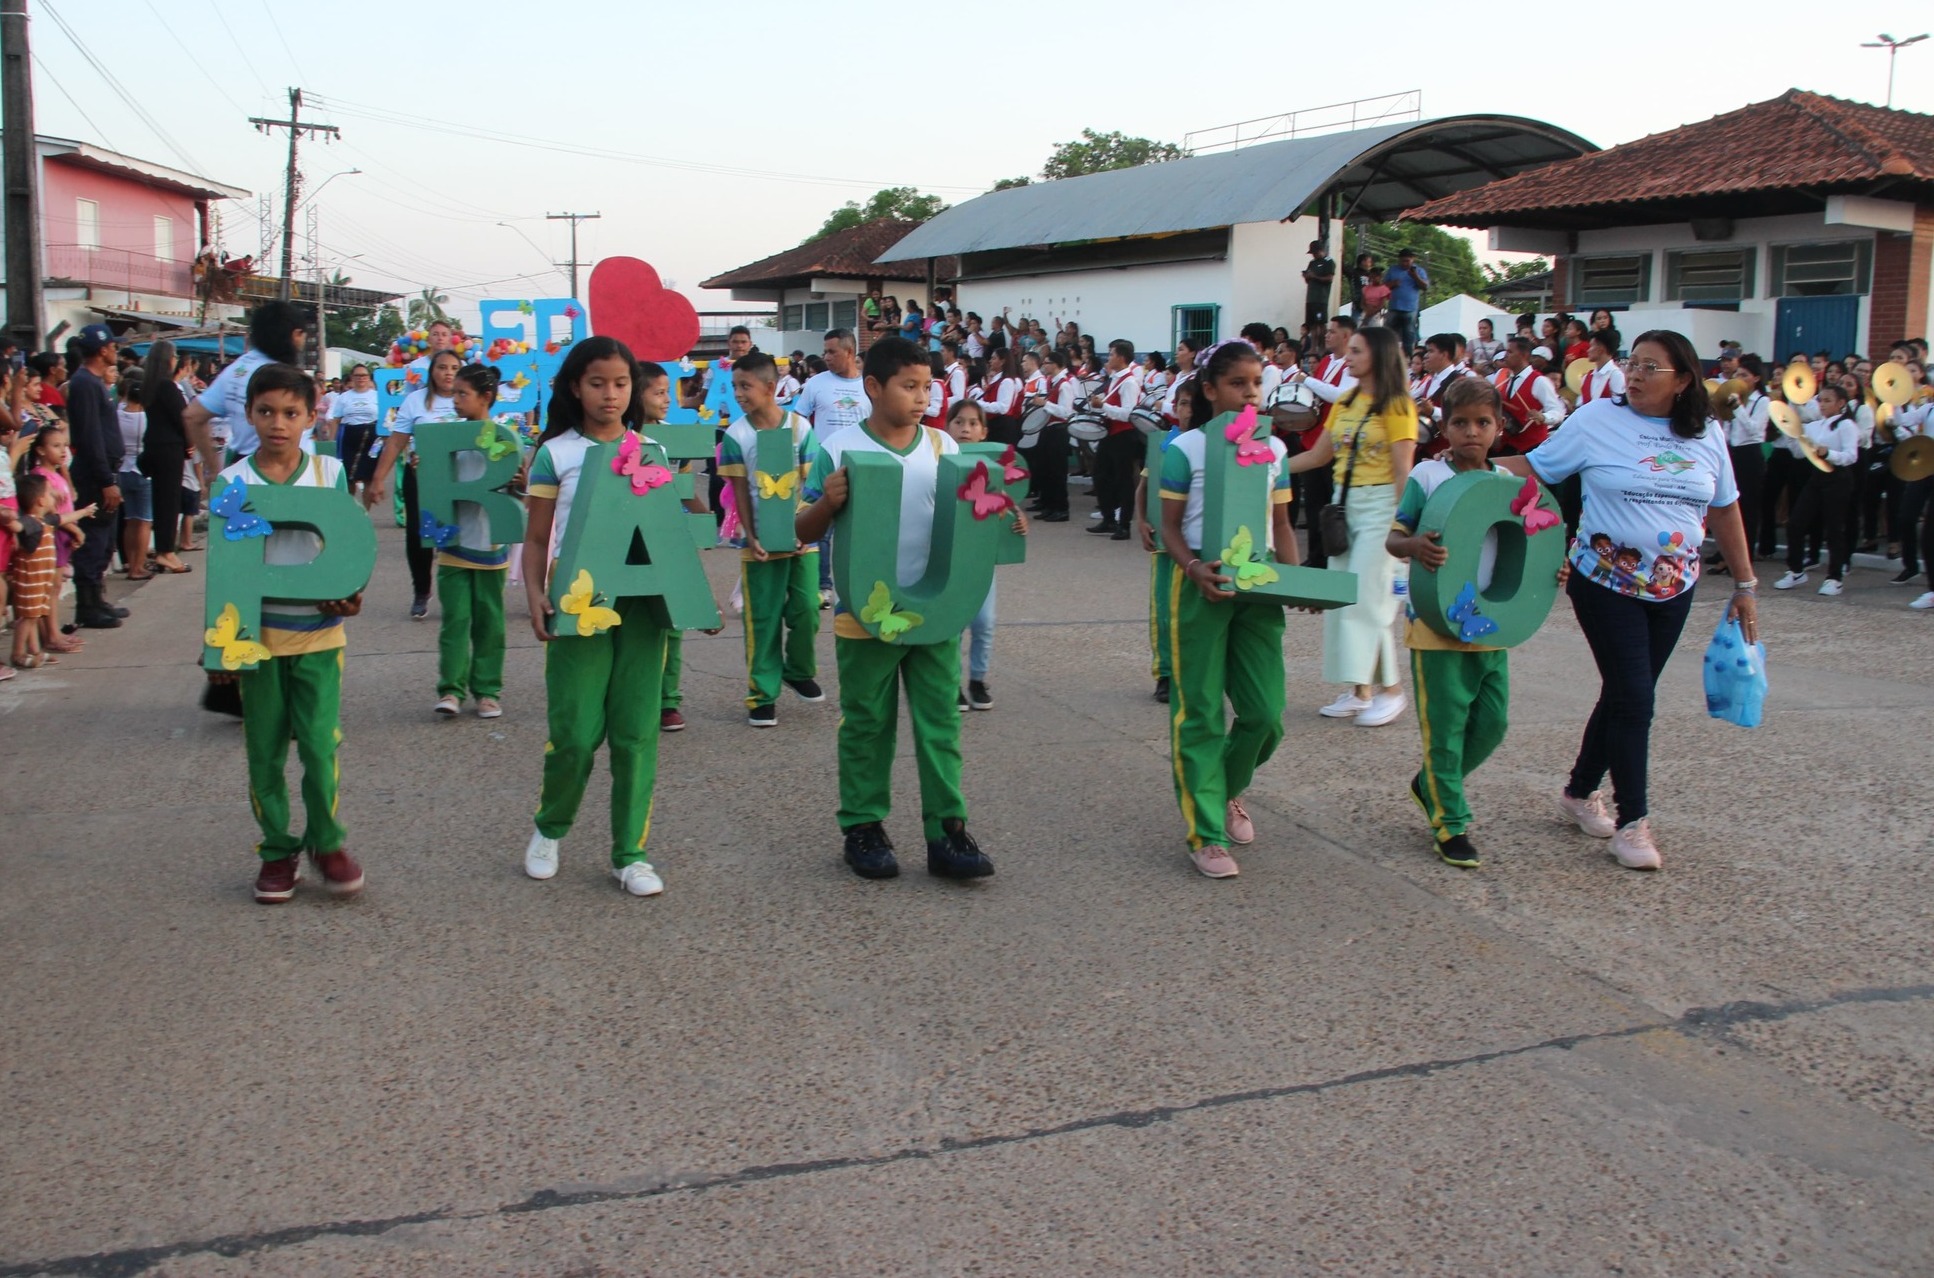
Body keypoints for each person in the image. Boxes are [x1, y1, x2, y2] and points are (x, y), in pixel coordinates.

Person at [1499, 329, 1758, 871]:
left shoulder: (1706, 433)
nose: (1634, 375)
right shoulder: (1596, 420)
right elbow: (1537, 469)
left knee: (1625, 693)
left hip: (1675, 587)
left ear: (1683, 380)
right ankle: (1633, 821)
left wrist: (1745, 585)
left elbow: (1726, 508)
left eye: (1650, 367)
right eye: (1632, 364)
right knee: (1636, 698)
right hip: (1604, 583)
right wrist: (1468, 462)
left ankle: (1577, 791)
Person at [794, 336, 997, 883]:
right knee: (867, 724)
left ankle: (947, 832)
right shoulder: (837, 448)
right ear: (874, 387)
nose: (922, 397)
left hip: (935, 610)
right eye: (909, 386)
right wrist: (827, 501)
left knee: (939, 725)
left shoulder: (943, 448)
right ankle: (863, 826)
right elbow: (801, 529)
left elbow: (968, 524)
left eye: (928, 386)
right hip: (864, 612)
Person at [520, 337, 677, 897]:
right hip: (578, 603)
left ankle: (630, 853)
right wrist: (535, 594)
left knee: (636, 733)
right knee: (576, 733)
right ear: (573, 387)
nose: (610, 394)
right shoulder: (554, 453)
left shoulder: (653, 449)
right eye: (596, 383)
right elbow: (537, 538)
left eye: (621, 383)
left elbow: (668, 534)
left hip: (641, 607)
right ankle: (550, 827)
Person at [215, 363, 366, 904]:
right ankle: (278, 850)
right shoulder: (234, 482)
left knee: (322, 747)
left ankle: (328, 842)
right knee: (265, 752)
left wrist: (351, 590)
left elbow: (346, 548)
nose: (277, 423)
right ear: (250, 413)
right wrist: (219, 645)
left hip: (321, 636)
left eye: (290, 413)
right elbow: (225, 569)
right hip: (257, 638)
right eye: (266, 412)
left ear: (311, 415)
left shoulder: (328, 474)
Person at [1158, 340, 1296, 879]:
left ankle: (1227, 789)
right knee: (1200, 714)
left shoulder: (1276, 451)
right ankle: (1206, 832)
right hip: (1200, 589)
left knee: (1266, 716)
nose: (1249, 393)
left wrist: (1296, 581)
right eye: (1238, 383)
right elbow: (1170, 528)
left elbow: (1281, 525)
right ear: (1211, 390)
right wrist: (1193, 568)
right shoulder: (1185, 449)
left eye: (1257, 383)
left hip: (1258, 593)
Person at [1386, 378, 1535, 867]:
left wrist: (1550, 568)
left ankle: (1428, 784)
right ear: (1444, 425)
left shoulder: (1508, 484)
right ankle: (1450, 824)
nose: (1472, 432)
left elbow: (1532, 540)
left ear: (1499, 426)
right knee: (1445, 730)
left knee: (1492, 723)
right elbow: (1395, 538)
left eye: (1483, 422)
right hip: (1436, 625)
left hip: (1493, 623)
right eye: (1460, 422)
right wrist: (1416, 548)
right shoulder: (1428, 477)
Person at [1289, 326, 1416, 726]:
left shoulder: (1398, 405)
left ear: (1378, 356)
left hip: (1381, 507)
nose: (1348, 356)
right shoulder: (1345, 400)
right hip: (1344, 505)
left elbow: (1403, 472)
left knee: (1368, 600)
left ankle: (1392, 691)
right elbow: (1317, 456)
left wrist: (1402, 525)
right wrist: (1266, 467)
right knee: (1344, 598)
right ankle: (1361, 689)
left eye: (1357, 351)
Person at [717, 351, 823, 727]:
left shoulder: (800, 428)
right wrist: (750, 535)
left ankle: (797, 670)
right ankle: (762, 695)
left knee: (807, 609)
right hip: (759, 544)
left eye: (745, 386)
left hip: (801, 540)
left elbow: (810, 485)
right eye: (735, 387)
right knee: (761, 620)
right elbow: (740, 491)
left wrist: (803, 529)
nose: (739, 394)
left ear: (770, 387)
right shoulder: (736, 435)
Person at [425, 363, 516, 719]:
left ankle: (488, 690)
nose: (456, 399)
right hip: (453, 544)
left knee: (490, 622)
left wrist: (517, 480)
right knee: (456, 619)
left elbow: (517, 491)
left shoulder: (505, 437)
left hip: (491, 544)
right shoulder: (447, 439)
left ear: (487, 398)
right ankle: (450, 689)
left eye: (464, 394)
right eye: (455, 393)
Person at [945, 399, 1026, 711]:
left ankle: (978, 679)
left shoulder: (989, 470)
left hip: (981, 559)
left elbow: (1002, 498)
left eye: (973, 423)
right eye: (959, 422)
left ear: (984, 432)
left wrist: (1018, 517)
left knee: (984, 621)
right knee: (952, 623)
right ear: (947, 426)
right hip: (949, 558)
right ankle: (951, 683)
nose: (965, 429)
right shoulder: (940, 459)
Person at [368, 349, 461, 619]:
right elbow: (397, 441)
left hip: (459, 477)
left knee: (457, 534)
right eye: (442, 367)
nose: (448, 373)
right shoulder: (415, 400)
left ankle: (456, 594)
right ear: (432, 371)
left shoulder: (466, 398)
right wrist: (377, 479)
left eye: (455, 367)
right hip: (420, 475)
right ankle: (421, 591)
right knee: (419, 536)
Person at [183, 300, 306, 473]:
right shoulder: (286, 377)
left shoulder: (236, 370)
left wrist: (216, 470)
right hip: (287, 473)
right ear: (296, 334)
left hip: (242, 469)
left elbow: (192, 416)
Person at [62, 324, 125, 629]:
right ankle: (86, 607)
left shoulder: (95, 382)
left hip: (105, 470)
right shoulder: (85, 383)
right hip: (93, 476)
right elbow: (90, 437)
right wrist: (106, 481)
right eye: (113, 346)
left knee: (104, 541)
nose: (116, 351)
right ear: (103, 350)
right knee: (92, 540)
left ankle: (97, 599)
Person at [1772, 380, 1859, 596]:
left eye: (1828, 400)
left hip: (1838, 478)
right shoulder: (1815, 425)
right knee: (1796, 523)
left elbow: (1851, 456)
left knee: (1834, 528)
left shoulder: (1846, 425)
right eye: (1820, 400)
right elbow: (1800, 452)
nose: (1822, 404)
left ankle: (1835, 577)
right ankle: (1796, 570)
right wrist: (1790, 434)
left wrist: (1828, 453)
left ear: (1841, 403)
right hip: (1817, 476)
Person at [1290, 316, 1359, 569]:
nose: (1327, 336)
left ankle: (1333, 555)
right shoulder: (1327, 361)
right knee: (1315, 504)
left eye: (1332, 332)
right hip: (1313, 435)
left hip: (1335, 439)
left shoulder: (1350, 364)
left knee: (1333, 502)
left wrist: (1306, 379)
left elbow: (1341, 396)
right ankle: (1316, 556)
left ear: (1346, 335)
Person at [9, 471, 85, 669]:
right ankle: (18, 653)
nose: (55, 497)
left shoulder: (45, 521)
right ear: (41, 501)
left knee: (34, 616)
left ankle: (34, 651)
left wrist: (85, 512)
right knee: (28, 617)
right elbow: (15, 526)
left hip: (41, 581)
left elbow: (64, 517)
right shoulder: (30, 522)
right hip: (30, 580)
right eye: (51, 493)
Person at [137, 342, 191, 575]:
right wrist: (190, 444)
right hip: (170, 448)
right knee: (170, 501)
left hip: (154, 446)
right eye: (174, 355)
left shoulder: (148, 386)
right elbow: (184, 418)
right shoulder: (167, 387)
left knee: (161, 501)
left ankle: (163, 549)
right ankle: (166, 552)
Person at [1088, 338, 1144, 539]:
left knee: (1123, 480)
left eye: (1111, 354)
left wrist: (1103, 405)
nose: (1108, 357)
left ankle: (1124, 524)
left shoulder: (1129, 381)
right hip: (1110, 433)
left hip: (1123, 435)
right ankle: (1108, 518)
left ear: (1121, 357)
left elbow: (1128, 413)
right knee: (1101, 475)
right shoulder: (1115, 379)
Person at [1722, 354, 1770, 566]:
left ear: (1756, 378)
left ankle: (1746, 555)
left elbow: (1754, 429)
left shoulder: (1762, 401)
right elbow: (1728, 427)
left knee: (1748, 507)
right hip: (1733, 451)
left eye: (1744, 375)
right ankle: (1726, 555)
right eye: (1737, 374)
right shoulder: (1737, 397)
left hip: (1750, 454)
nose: (1739, 378)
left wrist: (1737, 408)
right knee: (1730, 503)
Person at [1024, 347, 1077, 523]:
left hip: (1059, 430)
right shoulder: (1050, 382)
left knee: (1057, 471)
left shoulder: (1065, 384)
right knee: (1045, 469)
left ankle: (1061, 508)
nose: (1044, 366)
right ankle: (1048, 504)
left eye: (1047, 363)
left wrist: (1045, 404)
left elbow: (1066, 411)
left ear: (1057, 365)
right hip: (1048, 429)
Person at [1492, 337, 1568, 455]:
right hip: (1509, 445)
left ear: (1524, 355)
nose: (1505, 355)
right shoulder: (1507, 380)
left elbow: (1558, 411)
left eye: (1510, 352)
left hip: (1532, 448)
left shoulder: (1539, 381)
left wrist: (1543, 417)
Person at [114, 371, 153, 580]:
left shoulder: (118, 414)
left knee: (130, 521)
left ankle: (130, 564)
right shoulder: (146, 418)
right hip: (142, 471)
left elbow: (120, 402)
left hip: (122, 470)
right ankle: (139, 566)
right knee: (144, 521)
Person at [325, 364, 381, 499]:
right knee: (349, 478)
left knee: (368, 478)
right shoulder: (343, 397)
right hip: (350, 437)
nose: (361, 378)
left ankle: (366, 515)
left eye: (364, 375)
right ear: (352, 378)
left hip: (372, 438)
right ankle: (351, 511)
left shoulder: (377, 396)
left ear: (369, 378)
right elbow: (336, 421)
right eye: (357, 375)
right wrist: (331, 442)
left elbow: (386, 418)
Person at [967, 346, 1023, 446]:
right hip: (995, 424)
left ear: (1002, 362)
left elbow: (1003, 408)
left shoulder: (1007, 381)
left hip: (1002, 426)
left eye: (994, 358)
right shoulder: (997, 380)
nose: (990, 361)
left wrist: (978, 403)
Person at [1384, 248, 1429, 353]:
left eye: (1407, 261)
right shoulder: (1393, 270)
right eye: (1402, 261)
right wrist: (1392, 283)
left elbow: (1425, 286)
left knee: (1409, 336)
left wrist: (1415, 276)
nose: (1404, 263)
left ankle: (1408, 358)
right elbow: (1383, 287)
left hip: (1410, 309)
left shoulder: (1419, 271)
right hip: (1394, 307)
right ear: (1399, 260)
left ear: (1413, 259)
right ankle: (1388, 355)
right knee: (1389, 334)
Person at [1577, 328, 1625, 406]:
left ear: (1601, 349)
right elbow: (1580, 406)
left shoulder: (1616, 375)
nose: (1588, 350)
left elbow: (1619, 407)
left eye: (1591, 346)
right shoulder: (1587, 377)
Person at [1302, 239, 1336, 329]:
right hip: (1310, 298)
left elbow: (1329, 278)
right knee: (1311, 325)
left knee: (1320, 325)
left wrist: (1314, 276)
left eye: (1315, 252)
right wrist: (1307, 277)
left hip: (1321, 299)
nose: (1313, 255)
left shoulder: (1328, 261)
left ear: (1321, 250)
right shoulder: (1312, 263)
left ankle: (1321, 342)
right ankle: (1314, 343)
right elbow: (1308, 280)